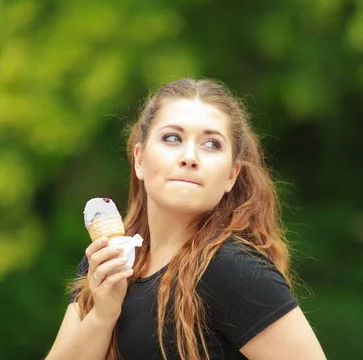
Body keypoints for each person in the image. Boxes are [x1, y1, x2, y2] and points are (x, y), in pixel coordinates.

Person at [45, 78, 326, 360]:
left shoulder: (234, 270)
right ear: (139, 160)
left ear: (232, 175)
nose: (190, 157)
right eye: (172, 138)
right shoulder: (109, 261)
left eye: (211, 144)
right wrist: (102, 316)